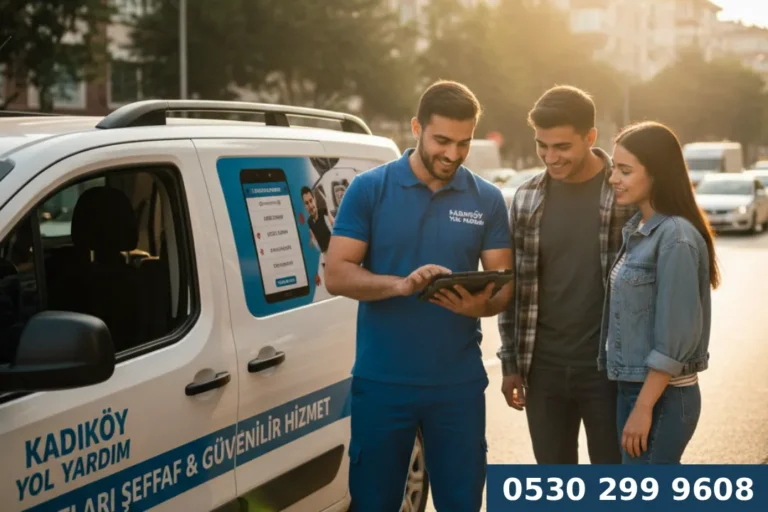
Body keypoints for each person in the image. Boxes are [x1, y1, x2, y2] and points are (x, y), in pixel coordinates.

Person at [325, 80, 513, 511]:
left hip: (457, 384)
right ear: (417, 128)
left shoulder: (486, 199)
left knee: (462, 502)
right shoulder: (370, 189)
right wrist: (401, 285)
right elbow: (336, 275)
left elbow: (504, 285)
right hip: (383, 380)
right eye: (442, 141)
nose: (452, 154)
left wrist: (481, 304)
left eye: (463, 144)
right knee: (374, 503)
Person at [497, 85, 634, 464]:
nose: (550, 157)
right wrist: (511, 364)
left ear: (590, 137)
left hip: (609, 370)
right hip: (543, 371)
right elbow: (515, 286)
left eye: (562, 147)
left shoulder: (623, 195)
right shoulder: (526, 198)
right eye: (543, 145)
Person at [602, 121, 718, 464]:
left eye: (625, 170)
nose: (613, 179)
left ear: (657, 174)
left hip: (663, 397)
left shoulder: (676, 238)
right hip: (638, 390)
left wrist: (643, 407)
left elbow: (674, 338)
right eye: (613, 169)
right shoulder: (639, 229)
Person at [301, 186, 334, 255]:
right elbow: (313, 237)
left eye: (311, 201)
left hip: (334, 250)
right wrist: (311, 241)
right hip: (325, 254)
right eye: (306, 203)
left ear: (314, 200)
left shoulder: (324, 212)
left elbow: (334, 225)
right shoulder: (309, 221)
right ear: (304, 206)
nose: (310, 206)